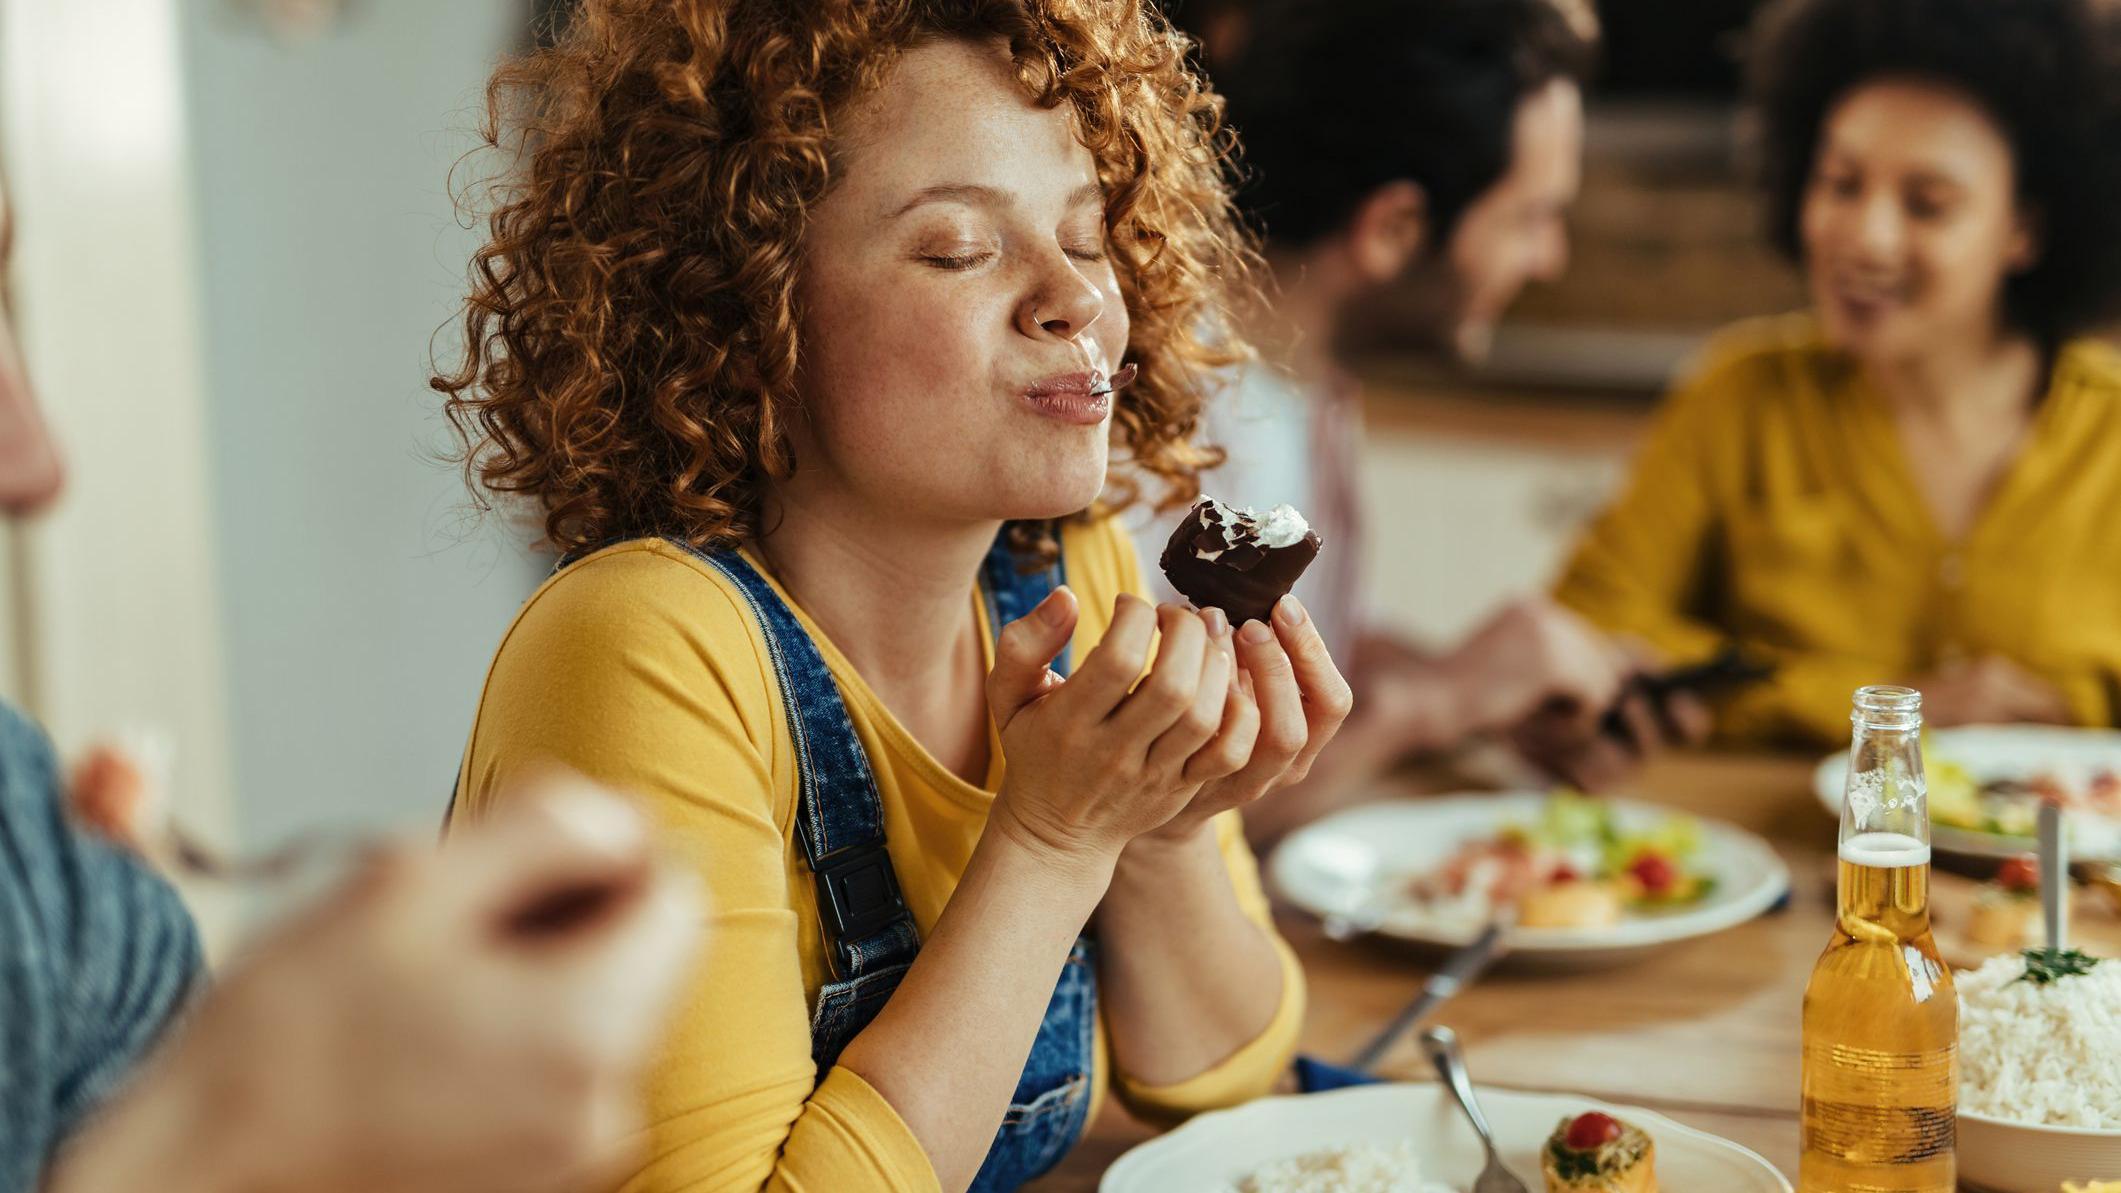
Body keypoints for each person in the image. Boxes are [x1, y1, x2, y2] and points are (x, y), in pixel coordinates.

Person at [435, 2, 1348, 1191]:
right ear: (745, 313)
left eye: (1087, 234)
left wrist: (1160, 831)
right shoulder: (640, 651)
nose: (1075, 299)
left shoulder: (1074, 573)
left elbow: (1218, 1077)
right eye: (961, 249)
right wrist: (1055, 839)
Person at [0, 172, 701, 1192]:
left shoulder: (50, 873)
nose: (40, 463)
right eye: (950, 249)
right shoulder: (642, 633)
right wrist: (223, 1147)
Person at [1145, 0, 1672, 839]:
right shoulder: (1164, 429)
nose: (1549, 259)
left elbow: (1284, 655)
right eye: (1528, 218)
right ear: (1391, 227)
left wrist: (1495, 696)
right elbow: (1160, 811)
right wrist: (1438, 700)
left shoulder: (1304, 369)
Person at [1554, 0, 2121, 747]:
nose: (1866, 235)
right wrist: (1886, 708)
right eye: (1841, 182)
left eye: (1926, 205)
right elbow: (1584, 632)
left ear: (2024, 229)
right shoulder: (1739, 395)